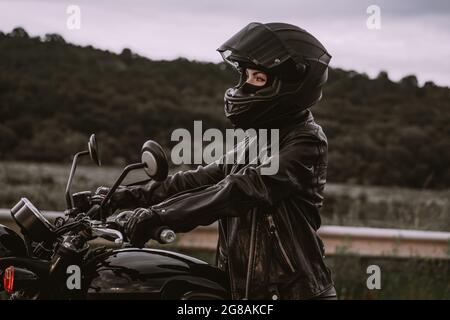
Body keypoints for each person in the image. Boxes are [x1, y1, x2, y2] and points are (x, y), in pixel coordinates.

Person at [98, 22, 336, 300]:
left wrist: (160, 216)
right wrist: (121, 197)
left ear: (291, 86)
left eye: (258, 78)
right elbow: (199, 179)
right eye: (245, 76)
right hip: (242, 291)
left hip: (292, 294)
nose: (244, 85)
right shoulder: (257, 139)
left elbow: (241, 189)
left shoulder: (306, 142)